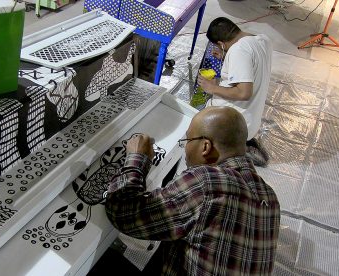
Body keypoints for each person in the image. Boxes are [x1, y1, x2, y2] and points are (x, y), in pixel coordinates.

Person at [105, 106, 281, 275]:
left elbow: (122, 212)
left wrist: (137, 157)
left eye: (187, 141)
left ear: (205, 147)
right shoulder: (270, 196)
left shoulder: (205, 182)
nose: (186, 149)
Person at [197, 17, 273, 166]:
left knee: (196, 128)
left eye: (218, 47)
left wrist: (211, 88)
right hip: (252, 121)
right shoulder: (263, 40)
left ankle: (236, 148)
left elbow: (244, 93)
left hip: (237, 123)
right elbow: (251, 64)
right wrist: (227, 57)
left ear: (221, 44)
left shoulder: (239, 50)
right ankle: (241, 142)